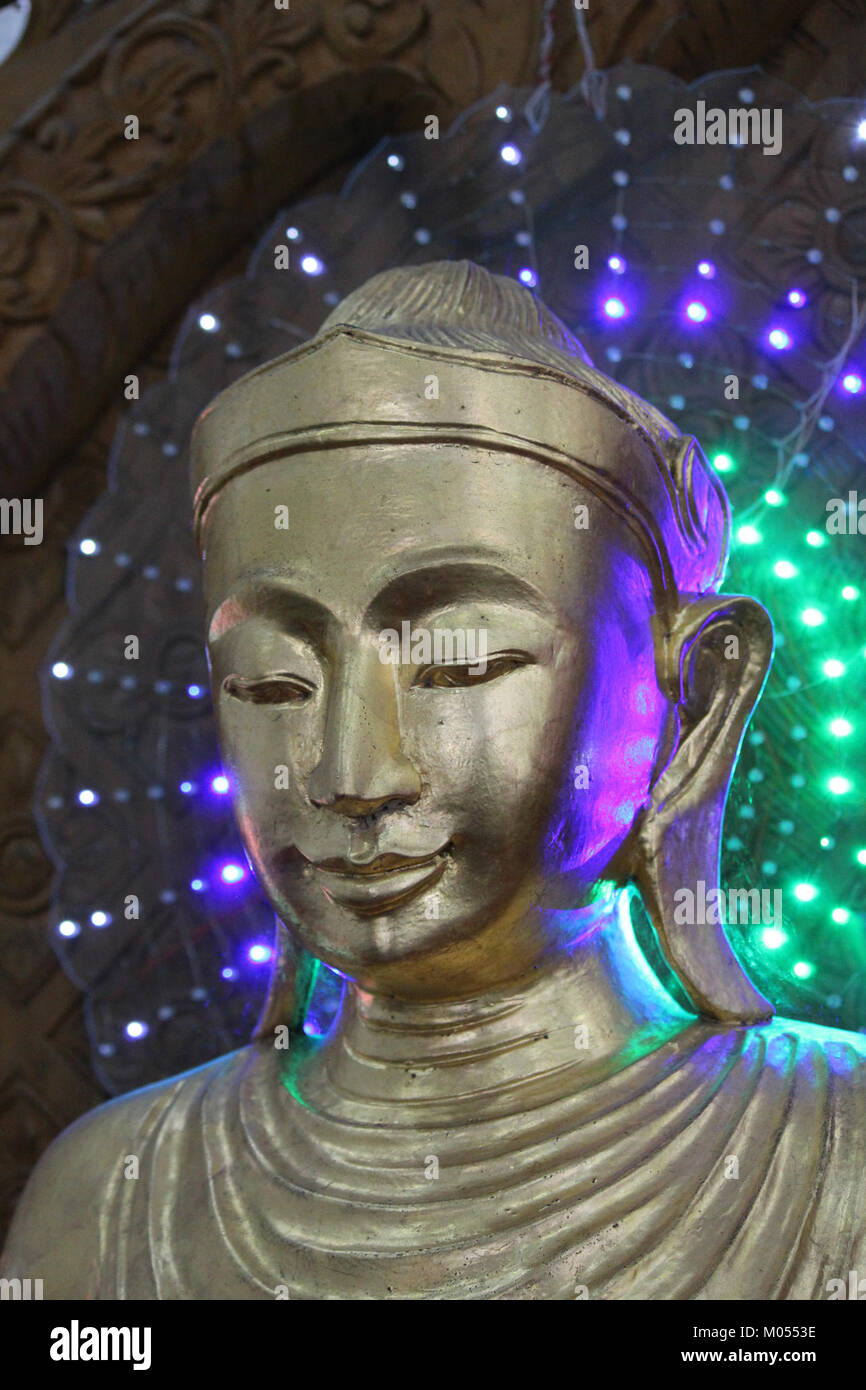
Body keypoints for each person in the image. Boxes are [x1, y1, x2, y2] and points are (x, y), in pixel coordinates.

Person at [4, 261, 864, 1299]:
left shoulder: (835, 1149)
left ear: (692, 698)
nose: (348, 773)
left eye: (458, 664)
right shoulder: (104, 1198)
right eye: (272, 680)